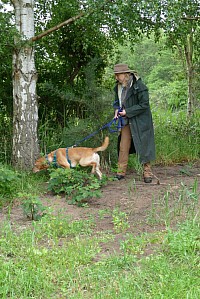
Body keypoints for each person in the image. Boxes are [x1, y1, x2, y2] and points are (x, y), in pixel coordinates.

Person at [113, 63, 156, 183]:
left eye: (118, 75)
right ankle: (120, 172)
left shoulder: (140, 86)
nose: (116, 77)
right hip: (126, 120)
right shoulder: (117, 87)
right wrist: (117, 110)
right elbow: (117, 101)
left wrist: (128, 111)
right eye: (115, 75)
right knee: (123, 146)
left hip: (141, 121)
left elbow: (144, 105)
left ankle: (147, 173)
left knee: (144, 146)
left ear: (126, 74)